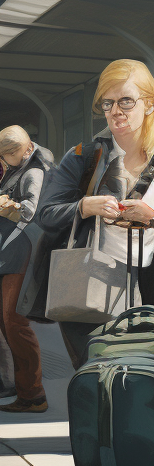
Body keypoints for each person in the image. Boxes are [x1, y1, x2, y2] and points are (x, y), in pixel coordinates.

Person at [29, 59, 154, 368]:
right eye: (107, 103)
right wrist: (86, 206)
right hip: (90, 281)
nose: (115, 111)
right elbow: (46, 214)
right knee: (97, 375)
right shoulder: (83, 156)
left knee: (151, 374)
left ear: (149, 104)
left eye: (126, 101)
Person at [0, 126, 53, 413]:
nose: (7, 159)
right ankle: (26, 392)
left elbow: (30, 210)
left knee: (14, 323)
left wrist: (5, 205)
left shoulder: (33, 172)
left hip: (20, 255)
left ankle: (33, 395)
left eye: (10, 153)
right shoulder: (15, 168)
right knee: (9, 324)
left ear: (26, 147)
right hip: (9, 254)